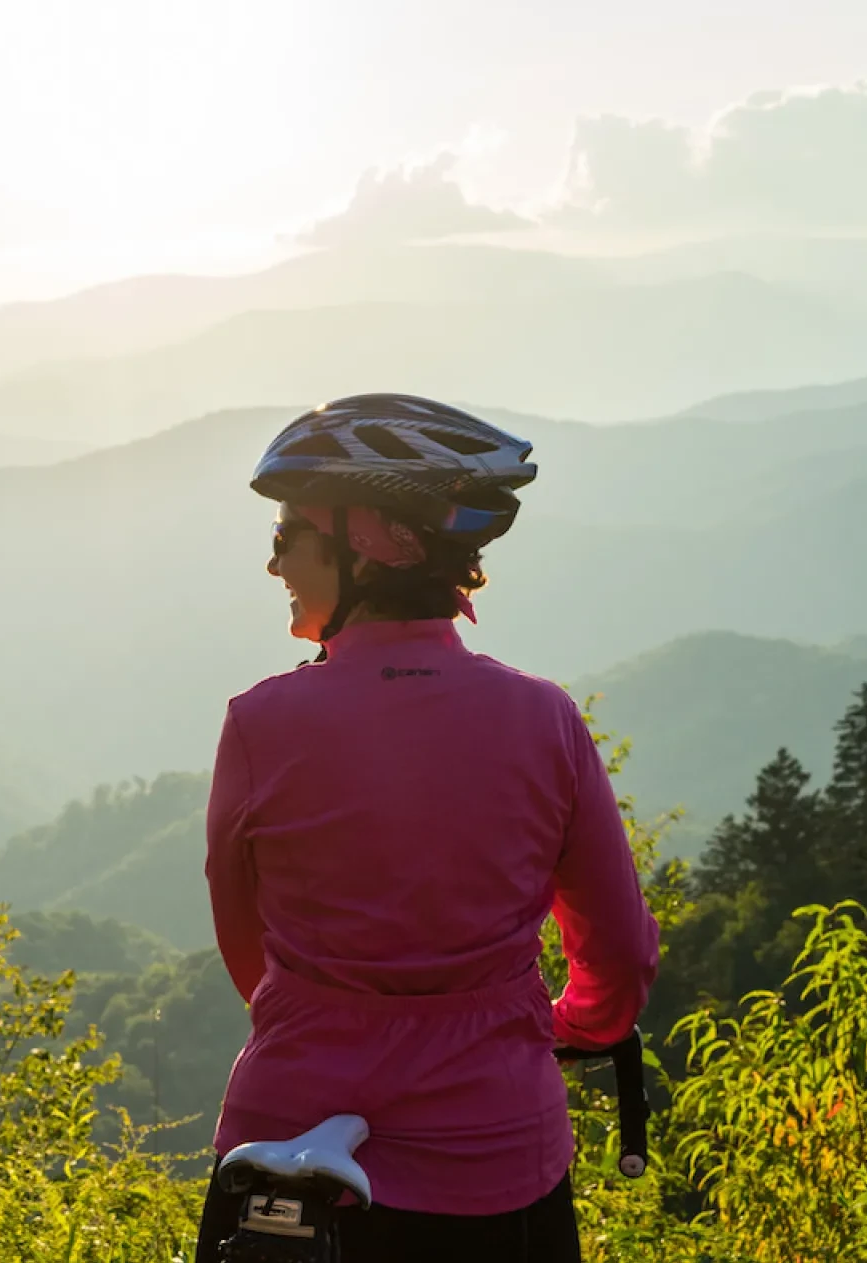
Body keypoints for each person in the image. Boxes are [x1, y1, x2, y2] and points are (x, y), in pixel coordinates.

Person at [196, 394, 661, 1262]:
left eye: (287, 532)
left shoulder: (260, 722)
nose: (273, 563)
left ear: (368, 541)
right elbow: (619, 957)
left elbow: (248, 950)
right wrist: (570, 1026)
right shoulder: (544, 720)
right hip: (492, 1159)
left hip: (286, 1158)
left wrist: (331, 1019)